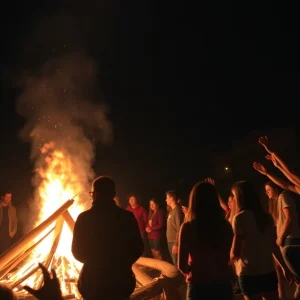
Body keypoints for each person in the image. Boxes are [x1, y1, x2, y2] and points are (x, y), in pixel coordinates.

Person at [72, 176, 144, 300]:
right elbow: (138, 247)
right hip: (121, 281)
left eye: (92, 193)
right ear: (113, 195)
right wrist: (122, 264)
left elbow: (77, 251)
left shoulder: (84, 218)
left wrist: (94, 262)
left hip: (92, 282)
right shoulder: (127, 217)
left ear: (94, 195)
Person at [230, 181, 293, 300]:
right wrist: (284, 267)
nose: (232, 199)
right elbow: (273, 246)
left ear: (240, 198)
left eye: (234, 195)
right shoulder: (266, 217)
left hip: (248, 272)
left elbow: (235, 252)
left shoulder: (239, 218)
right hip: (267, 270)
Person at [178, 181, 234, 300]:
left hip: (199, 283)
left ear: (194, 201)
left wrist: (191, 271)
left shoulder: (188, 227)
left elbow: (181, 265)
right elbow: (228, 254)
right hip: (222, 283)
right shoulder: (226, 226)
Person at [165, 190, 184, 265]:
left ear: (172, 198)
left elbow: (180, 228)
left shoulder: (177, 211)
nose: (166, 200)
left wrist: (176, 244)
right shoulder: (172, 211)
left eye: (167, 198)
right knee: (174, 262)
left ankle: (180, 276)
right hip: (170, 241)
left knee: (177, 264)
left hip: (174, 242)